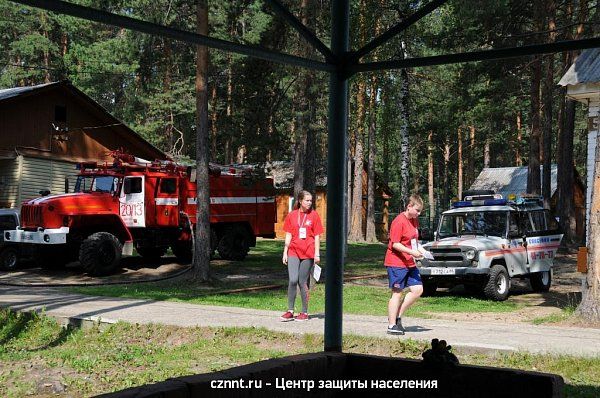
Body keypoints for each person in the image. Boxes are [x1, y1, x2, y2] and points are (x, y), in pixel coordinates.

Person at [280, 190, 323, 322]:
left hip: (308, 252)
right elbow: (288, 233)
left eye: (311, 201)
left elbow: (316, 236)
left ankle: (304, 312)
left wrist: (317, 253)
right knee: (292, 280)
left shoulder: (314, 216)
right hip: (293, 251)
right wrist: (285, 251)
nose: (310, 203)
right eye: (307, 200)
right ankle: (290, 310)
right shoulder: (292, 215)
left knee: (302, 281)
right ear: (300, 201)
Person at [384, 194, 424, 335]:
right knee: (397, 293)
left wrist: (420, 251)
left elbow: (414, 241)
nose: (419, 214)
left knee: (417, 290)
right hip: (396, 263)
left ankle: (397, 316)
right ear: (409, 206)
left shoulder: (414, 220)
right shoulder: (398, 221)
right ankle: (391, 325)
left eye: (420, 211)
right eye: (417, 210)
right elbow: (395, 244)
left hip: (409, 262)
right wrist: (412, 252)